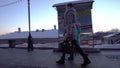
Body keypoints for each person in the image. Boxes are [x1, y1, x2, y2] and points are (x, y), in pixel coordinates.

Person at [56, 3, 91, 67]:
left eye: (66, 6)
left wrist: (69, 33)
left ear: (68, 6)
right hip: (70, 32)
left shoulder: (70, 12)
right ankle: (62, 59)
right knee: (66, 45)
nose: (66, 7)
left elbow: (70, 23)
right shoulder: (71, 12)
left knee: (76, 46)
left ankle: (86, 58)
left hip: (70, 32)